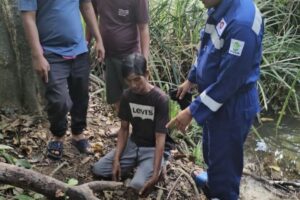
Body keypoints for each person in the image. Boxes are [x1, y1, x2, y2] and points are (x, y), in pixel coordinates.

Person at [166, 0, 264, 199]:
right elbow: (206, 47)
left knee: (226, 159)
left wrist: (192, 110)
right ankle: (212, 180)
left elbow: (228, 82)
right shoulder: (218, 8)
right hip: (213, 98)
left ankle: (223, 193)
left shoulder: (242, 25)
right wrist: (191, 79)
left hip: (233, 105)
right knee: (211, 147)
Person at [19, 0, 105, 160]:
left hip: (79, 50)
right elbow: (28, 17)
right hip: (51, 53)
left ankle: (78, 134)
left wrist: (98, 39)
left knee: (81, 97)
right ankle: (58, 136)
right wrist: (37, 55)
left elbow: (86, 6)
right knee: (58, 100)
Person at [92, 53, 173, 196]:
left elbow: (160, 137)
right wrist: (116, 159)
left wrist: (155, 175)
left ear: (147, 74)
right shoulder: (127, 96)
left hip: (152, 148)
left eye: (137, 79)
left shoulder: (160, 99)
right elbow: (124, 129)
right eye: (129, 81)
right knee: (99, 169)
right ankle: (133, 166)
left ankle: (159, 165)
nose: (134, 85)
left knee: (137, 186)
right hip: (134, 144)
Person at [91, 0, 150, 113]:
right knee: (116, 97)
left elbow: (143, 28)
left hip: (130, 56)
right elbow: (91, 15)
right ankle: (124, 128)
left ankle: (136, 128)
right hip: (108, 55)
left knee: (135, 96)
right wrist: (89, 42)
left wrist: (144, 61)